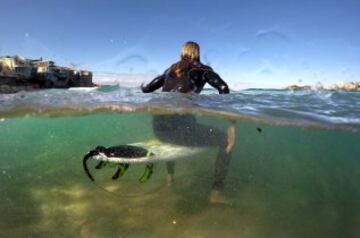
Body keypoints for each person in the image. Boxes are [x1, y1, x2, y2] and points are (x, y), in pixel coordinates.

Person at [141, 41, 236, 204]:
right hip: (183, 132)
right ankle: (216, 193)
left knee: (179, 121)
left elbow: (147, 89)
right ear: (197, 53)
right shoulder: (203, 69)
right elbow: (224, 88)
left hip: (160, 131)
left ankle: (170, 180)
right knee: (225, 140)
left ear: (182, 52)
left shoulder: (170, 69)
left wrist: (142, 85)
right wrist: (231, 123)